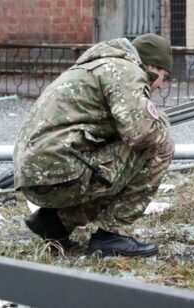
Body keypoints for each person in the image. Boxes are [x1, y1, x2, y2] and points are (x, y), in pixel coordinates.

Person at [13, 34, 175, 257]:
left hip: (36, 175)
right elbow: (140, 134)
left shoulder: (97, 66)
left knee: (118, 163)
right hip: (59, 172)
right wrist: (159, 120)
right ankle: (112, 234)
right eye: (163, 77)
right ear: (152, 66)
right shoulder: (127, 71)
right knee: (160, 144)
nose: (159, 86)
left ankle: (55, 222)